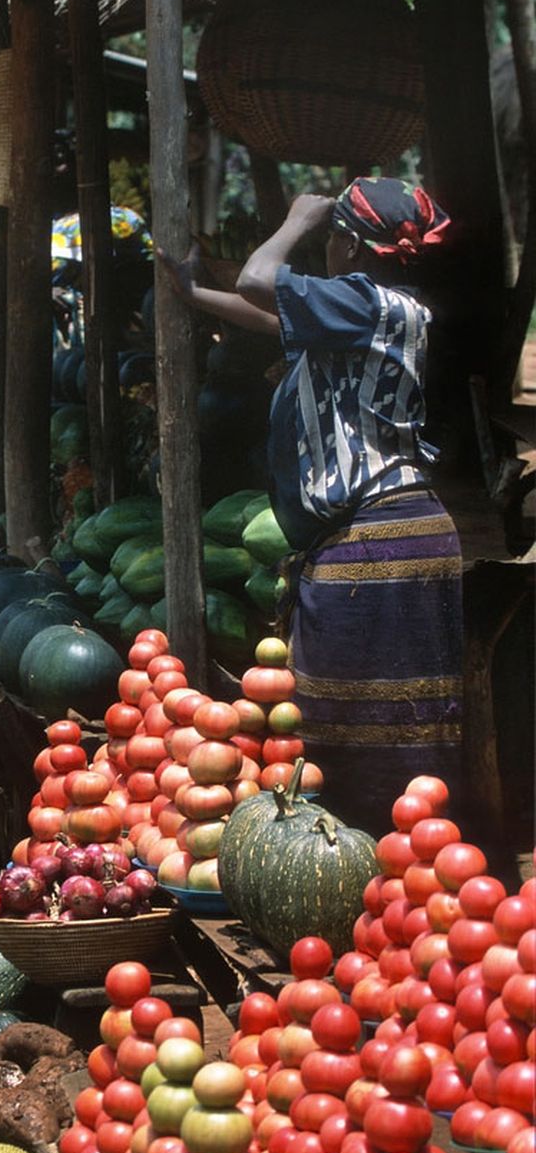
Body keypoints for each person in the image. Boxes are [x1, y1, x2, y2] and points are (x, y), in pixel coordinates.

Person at [163, 178, 461, 833]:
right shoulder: (373, 311)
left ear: (348, 247)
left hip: (377, 545)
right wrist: (192, 295)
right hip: (380, 541)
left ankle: (386, 860)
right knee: (377, 728)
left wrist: (299, 217)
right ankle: (388, 861)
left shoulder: (366, 304)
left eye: (330, 239)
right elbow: (271, 317)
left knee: (373, 733)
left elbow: (258, 279)